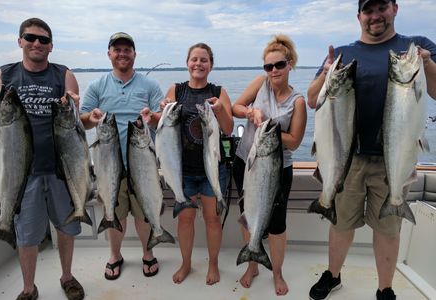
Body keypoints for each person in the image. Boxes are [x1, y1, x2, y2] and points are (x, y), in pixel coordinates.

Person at [307, 1, 436, 299]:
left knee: (388, 229)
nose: (375, 16)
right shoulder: (341, 54)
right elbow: (314, 99)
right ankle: (333, 275)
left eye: (382, 7)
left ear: (394, 9)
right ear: (359, 16)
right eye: (368, 10)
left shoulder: (416, 47)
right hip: (346, 158)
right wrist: (325, 72)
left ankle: (384, 289)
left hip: (396, 158)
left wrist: (427, 63)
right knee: (341, 223)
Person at [0, 18, 85, 300]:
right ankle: (29, 288)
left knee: (66, 228)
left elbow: (76, 123)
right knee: (27, 235)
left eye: (43, 40)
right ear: (20, 41)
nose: (36, 43)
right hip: (20, 173)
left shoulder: (64, 74)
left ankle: (67, 277)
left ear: (51, 46)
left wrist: (76, 107)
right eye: (30, 37)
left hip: (60, 169)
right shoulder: (3, 75)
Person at [79, 32, 164, 280]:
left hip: (143, 164)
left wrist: (155, 117)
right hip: (108, 166)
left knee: (144, 213)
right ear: (109, 54)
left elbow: (161, 122)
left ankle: (148, 253)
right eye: (117, 49)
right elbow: (83, 122)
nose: (122, 53)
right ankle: (115, 255)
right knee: (114, 213)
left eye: (127, 49)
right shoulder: (97, 86)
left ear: (134, 54)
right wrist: (90, 118)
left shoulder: (150, 86)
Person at [231, 34, 307, 296]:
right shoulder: (259, 84)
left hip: (276, 170)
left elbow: (295, 141)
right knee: (247, 216)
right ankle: (252, 264)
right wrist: (250, 112)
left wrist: (268, 130)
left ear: (290, 64)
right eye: (268, 66)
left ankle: (277, 272)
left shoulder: (297, 101)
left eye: (279, 65)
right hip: (246, 163)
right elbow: (235, 107)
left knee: (276, 225)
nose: (273, 71)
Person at [160, 43, 233, 285]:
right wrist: (158, 112)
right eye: (194, 59)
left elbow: (229, 127)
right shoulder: (176, 90)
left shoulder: (219, 91)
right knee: (185, 219)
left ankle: (213, 264)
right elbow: (163, 125)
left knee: (212, 219)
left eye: (204, 60)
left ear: (211, 65)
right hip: (183, 170)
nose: (198, 64)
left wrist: (221, 109)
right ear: (187, 62)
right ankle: (186, 263)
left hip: (213, 170)